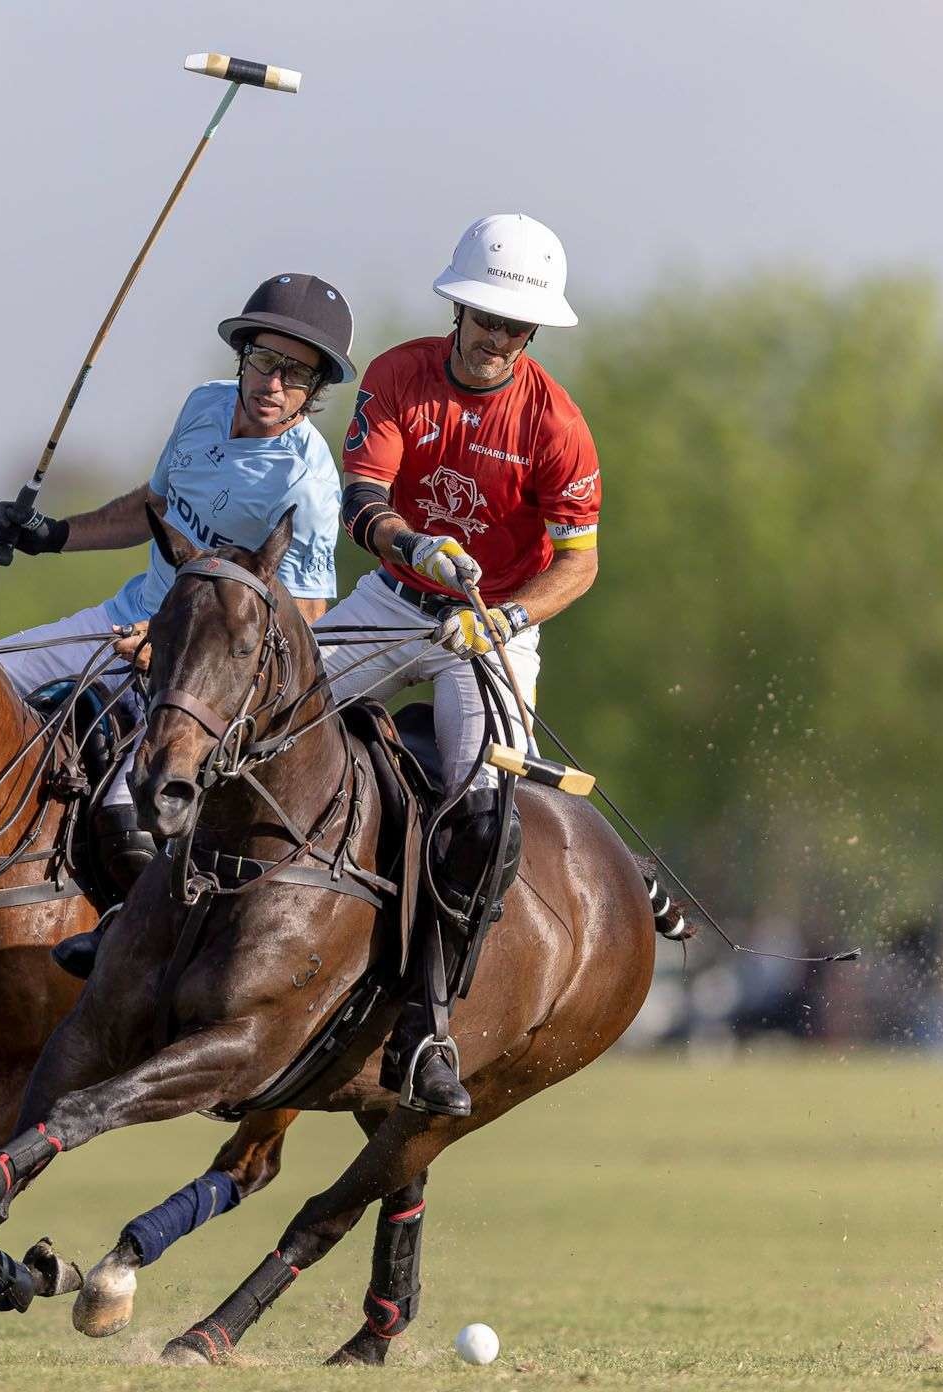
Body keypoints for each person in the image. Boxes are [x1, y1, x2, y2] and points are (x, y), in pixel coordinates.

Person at [0, 274, 356, 976]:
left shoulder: (306, 485)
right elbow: (151, 509)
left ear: (314, 390)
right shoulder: (202, 407)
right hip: (125, 619)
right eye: (262, 361)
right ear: (240, 357)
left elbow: (301, 623)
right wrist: (53, 534)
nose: (272, 383)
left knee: (131, 799)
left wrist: (169, 653)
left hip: (205, 675)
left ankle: (131, 943)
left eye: (295, 373)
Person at [321, 213, 601, 1116]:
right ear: (457, 308)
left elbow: (580, 560)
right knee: (242, 722)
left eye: (517, 328)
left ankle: (431, 1023)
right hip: (392, 601)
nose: (498, 339)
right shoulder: (401, 375)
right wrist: (418, 547)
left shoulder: (556, 423)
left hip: (493, 630)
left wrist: (507, 618)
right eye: (485, 318)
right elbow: (362, 496)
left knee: (486, 822)